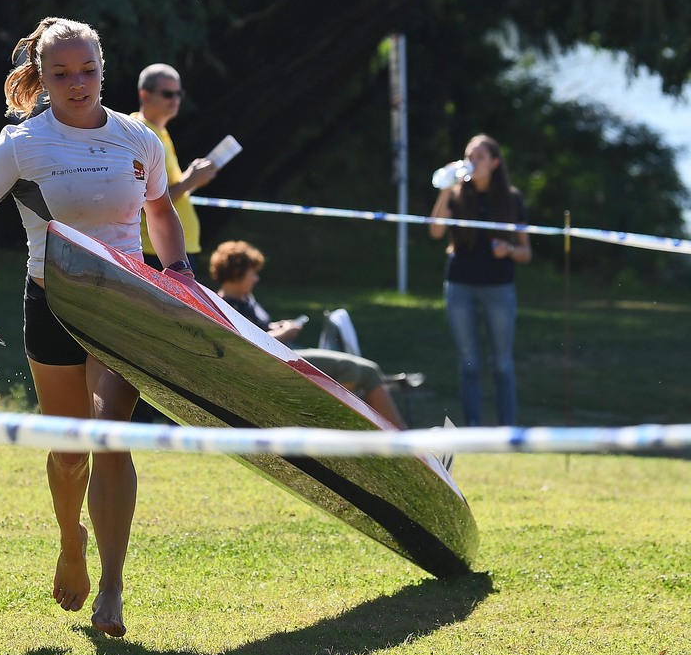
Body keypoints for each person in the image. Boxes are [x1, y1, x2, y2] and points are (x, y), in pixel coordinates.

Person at [0, 17, 193, 638]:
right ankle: (69, 541)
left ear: (103, 71)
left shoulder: (138, 138)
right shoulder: (23, 144)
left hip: (122, 303)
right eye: (61, 74)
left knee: (110, 437)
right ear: (43, 79)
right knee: (71, 451)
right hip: (51, 302)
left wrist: (180, 274)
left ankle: (113, 586)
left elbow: (161, 214)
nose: (77, 84)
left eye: (87, 71)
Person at [208, 240, 409, 430]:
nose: (256, 278)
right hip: (272, 361)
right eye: (253, 273)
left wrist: (278, 325)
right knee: (350, 369)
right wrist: (284, 333)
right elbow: (247, 344)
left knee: (370, 370)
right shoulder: (224, 305)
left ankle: (405, 440)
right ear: (237, 273)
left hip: (283, 352)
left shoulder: (245, 299)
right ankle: (334, 432)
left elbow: (259, 327)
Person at [429, 134, 531, 426]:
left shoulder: (512, 199)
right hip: (460, 286)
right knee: (469, 364)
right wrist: (445, 189)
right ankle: (473, 428)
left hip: (499, 288)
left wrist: (508, 249)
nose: (472, 162)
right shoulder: (457, 194)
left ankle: (507, 431)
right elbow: (436, 231)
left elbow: (526, 253)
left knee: (502, 364)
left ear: (495, 163)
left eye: (480, 157)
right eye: (469, 156)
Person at [132, 63, 219, 270]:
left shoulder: (159, 132)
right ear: (145, 95)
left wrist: (194, 181)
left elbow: (165, 191)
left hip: (170, 250)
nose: (175, 100)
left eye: (179, 94)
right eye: (168, 94)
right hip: (158, 251)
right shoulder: (140, 133)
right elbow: (143, 201)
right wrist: (190, 181)